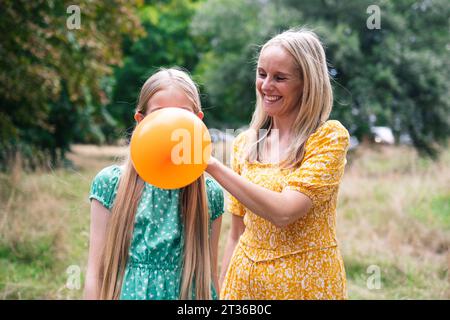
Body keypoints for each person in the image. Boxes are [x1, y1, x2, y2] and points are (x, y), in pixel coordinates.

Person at [205, 28, 350, 299]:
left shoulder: (328, 138)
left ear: (307, 83)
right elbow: (237, 234)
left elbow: (284, 212)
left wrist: (212, 166)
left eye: (280, 78)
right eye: (262, 74)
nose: (266, 86)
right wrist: (225, 293)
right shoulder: (245, 144)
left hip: (307, 285)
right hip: (246, 287)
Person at [83, 68, 224, 300]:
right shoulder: (111, 185)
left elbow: (209, 276)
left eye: (181, 116)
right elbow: (95, 274)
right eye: (160, 115)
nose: (170, 128)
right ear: (141, 121)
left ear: (198, 122)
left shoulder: (210, 194)